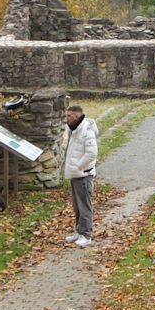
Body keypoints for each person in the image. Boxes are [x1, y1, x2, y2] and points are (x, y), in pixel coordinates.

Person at [62, 105, 98, 248]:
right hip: (75, 174)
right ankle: (79, 231)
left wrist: (79, 166)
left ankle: (86, 235)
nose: (67, 118)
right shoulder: (74, 129)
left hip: (83, 175)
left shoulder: (86, 131)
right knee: (77, 205)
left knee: (84, 206)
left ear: (77, 116)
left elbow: (91, 153)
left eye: (69, 116)